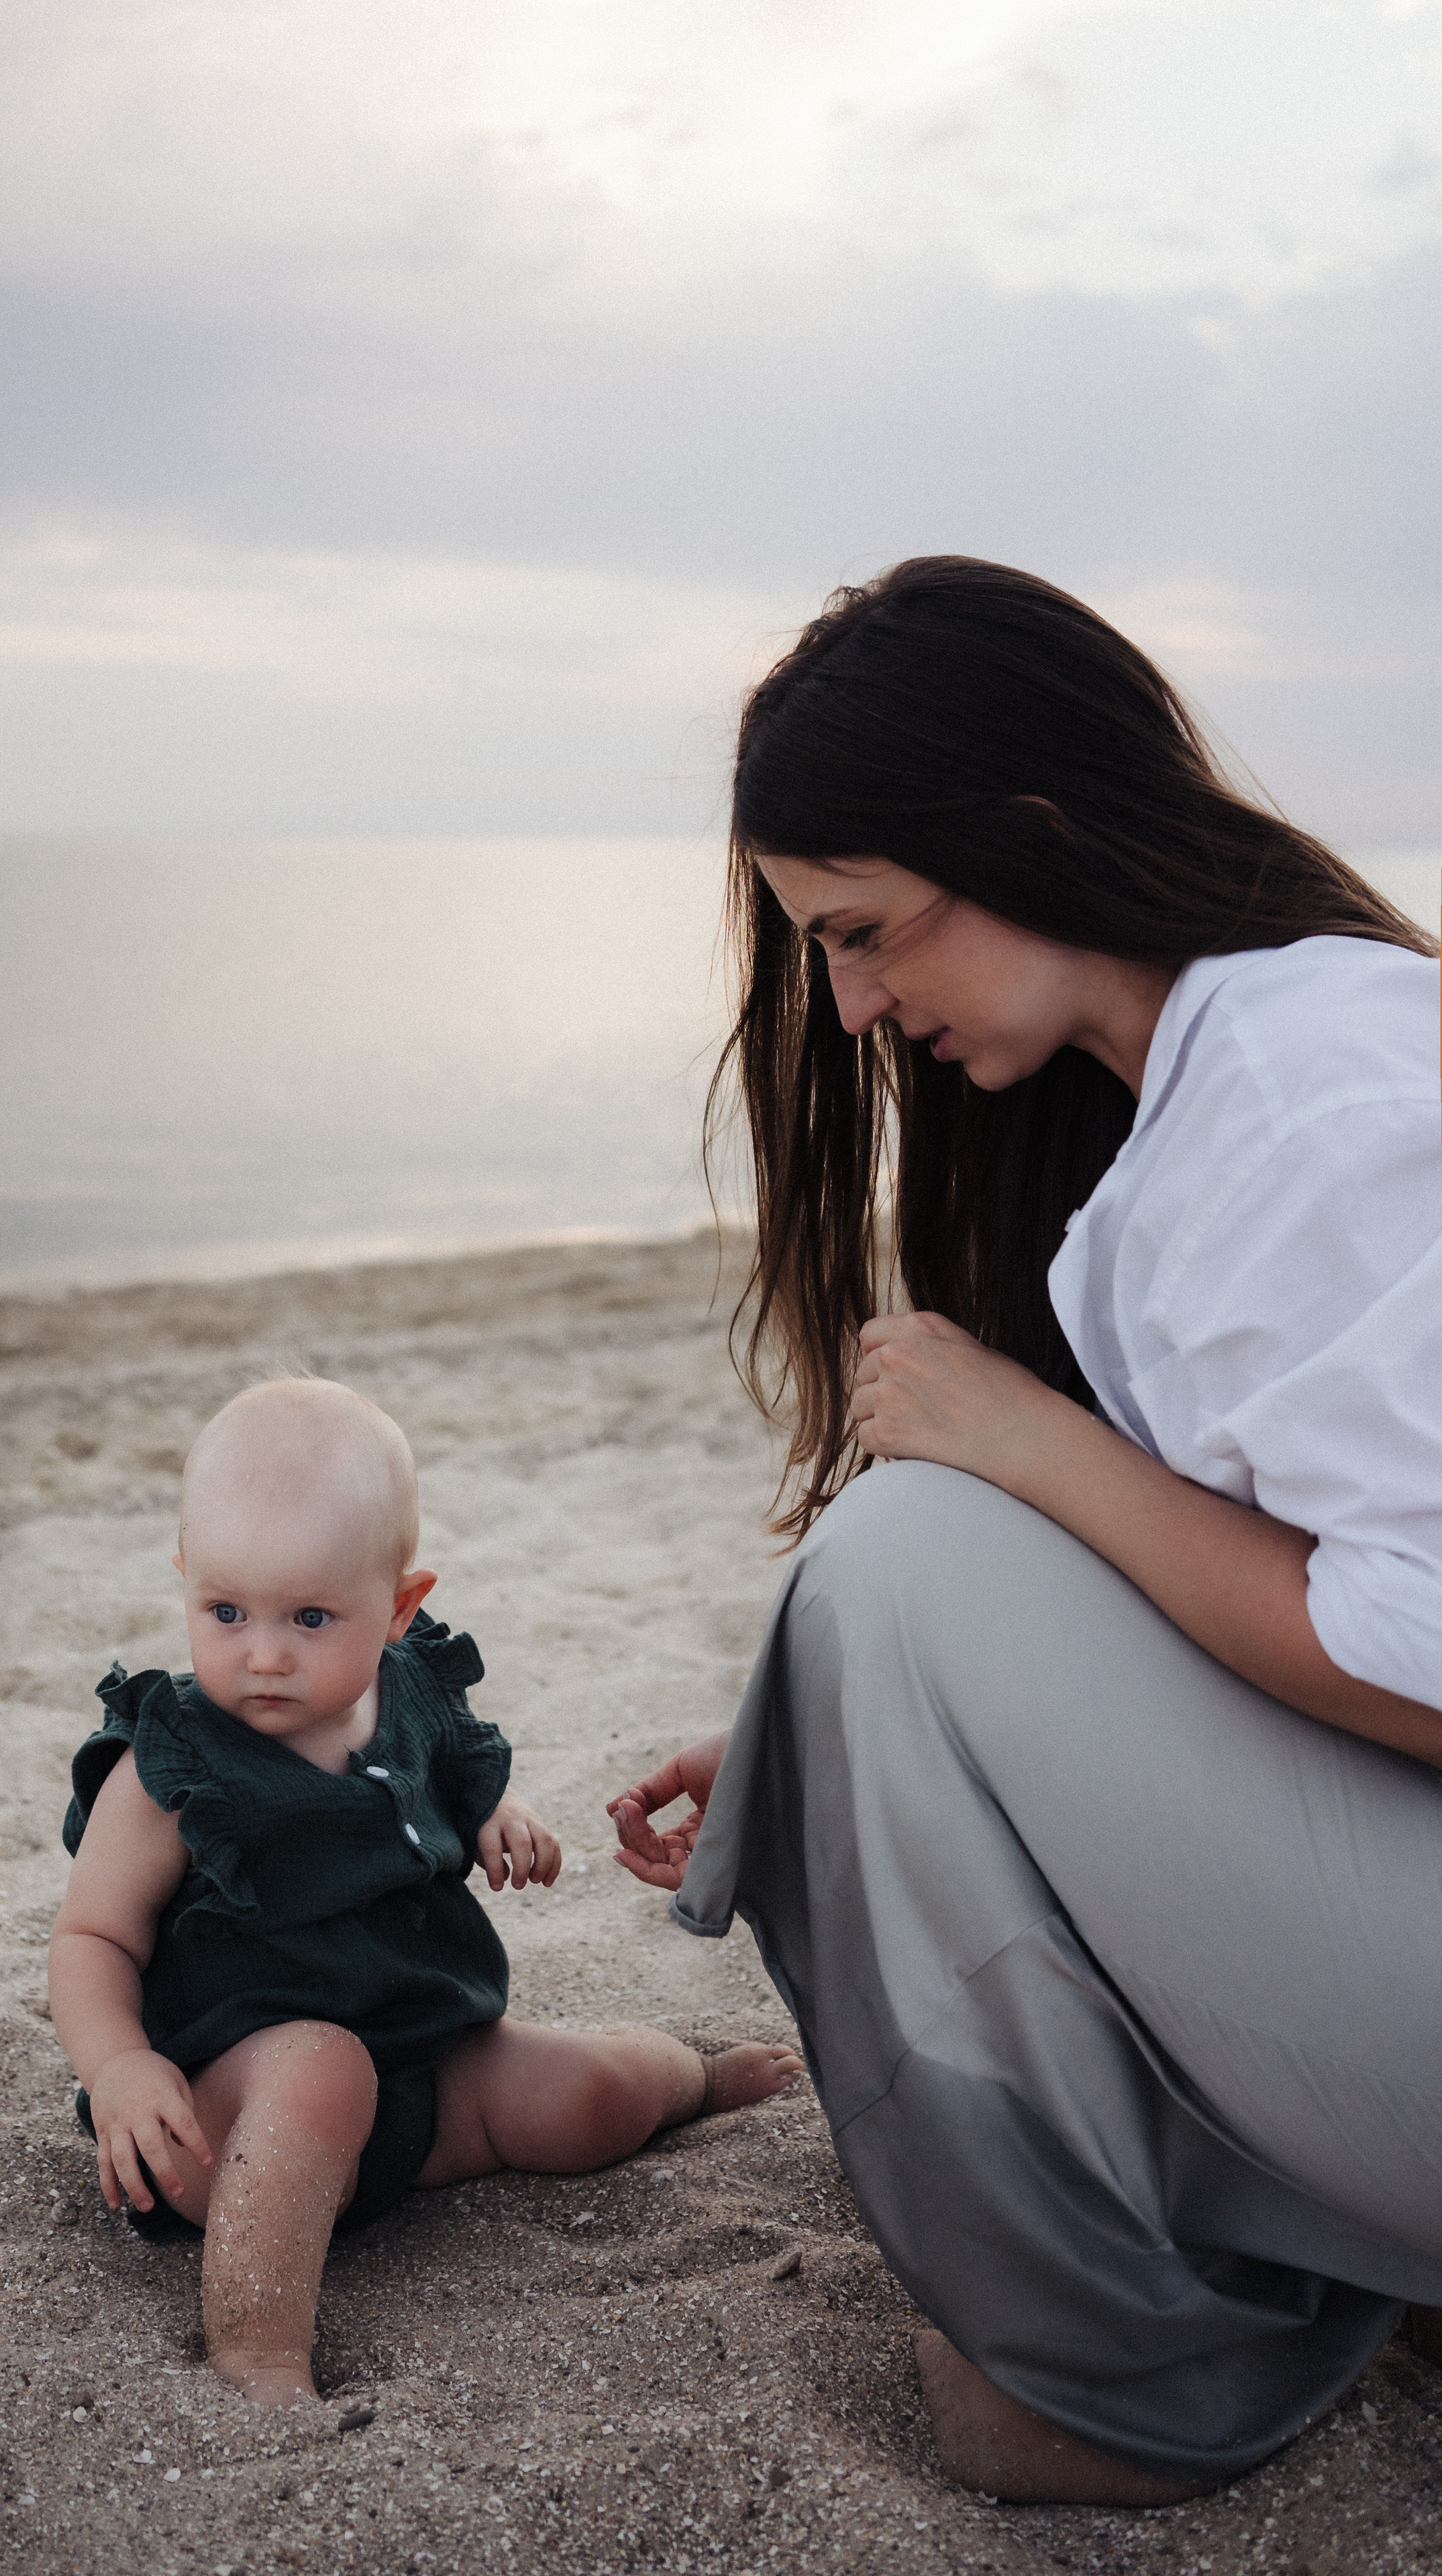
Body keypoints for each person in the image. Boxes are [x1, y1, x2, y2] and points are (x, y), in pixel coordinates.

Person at [609, 557, 1442, 2504]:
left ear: (1035, 833)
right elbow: (1257, 1577)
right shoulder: (1232, 1078)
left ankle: (1125, 2366)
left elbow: (1425, 1652)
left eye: (869, 930)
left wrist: (1030, 1457)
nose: (853, 1004)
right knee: (899, 1587)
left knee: (905, 1547)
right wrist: (901, 1722)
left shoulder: (1315, 1089)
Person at [49, 1375, 799, 2412]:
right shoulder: (170, 1767)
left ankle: (692, 2081)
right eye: (224, 1611)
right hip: (226, 2125)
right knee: (319, 2066)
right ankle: (257, 2347)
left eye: (311, 1616)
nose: (263, 1653)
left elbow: (455, 1775)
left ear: (399, 1609)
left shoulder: (411, 1692)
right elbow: (93, 1938)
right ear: (186, 1579)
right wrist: (122, 2066)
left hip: (422, 2081)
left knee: (590, 2095)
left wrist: (500, 1815)